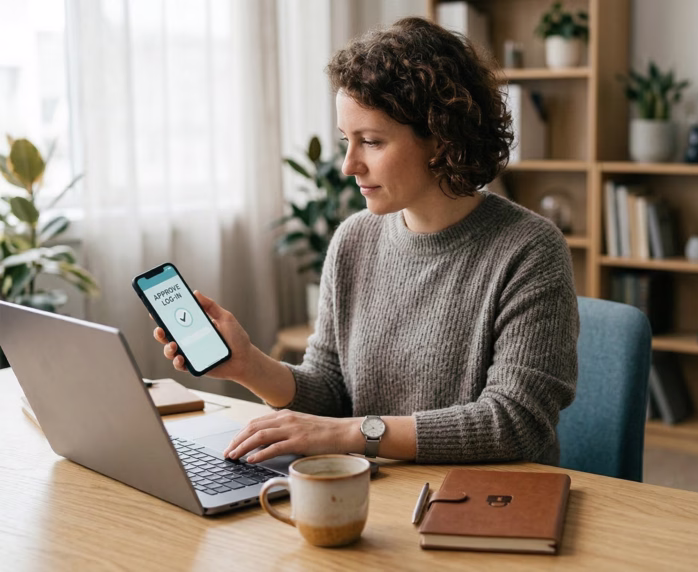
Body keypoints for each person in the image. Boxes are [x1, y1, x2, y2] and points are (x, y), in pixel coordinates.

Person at [152, 17, 579, 466]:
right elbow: (332, 393)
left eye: (371, 142)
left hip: (483, 506)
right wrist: (249, 366)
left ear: (440, 139)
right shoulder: (354, 239)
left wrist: (353, 433)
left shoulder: (530, 249)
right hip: (374, 492)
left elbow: (514, 424)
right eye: (346, 141)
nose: (348, 165)